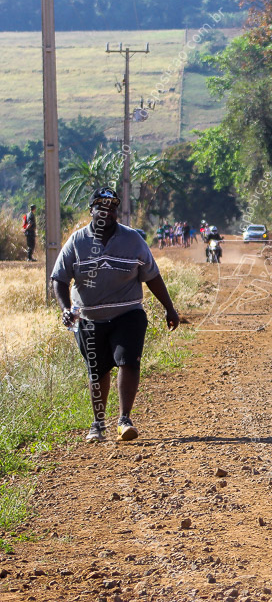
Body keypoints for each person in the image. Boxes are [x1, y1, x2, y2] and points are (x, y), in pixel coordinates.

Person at [51, 187, 180, 443]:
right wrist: (66, 309)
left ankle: (124, 420)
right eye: (101, 206)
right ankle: (98, 424)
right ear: (91, 210)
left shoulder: (132, 240)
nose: (107, 212)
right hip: (89, 319)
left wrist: (169, 307)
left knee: (127, 360)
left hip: (127, 313)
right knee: (97, 371)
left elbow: (152, 276)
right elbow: (59, 278)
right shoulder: (76, 242)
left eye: (112, 208)